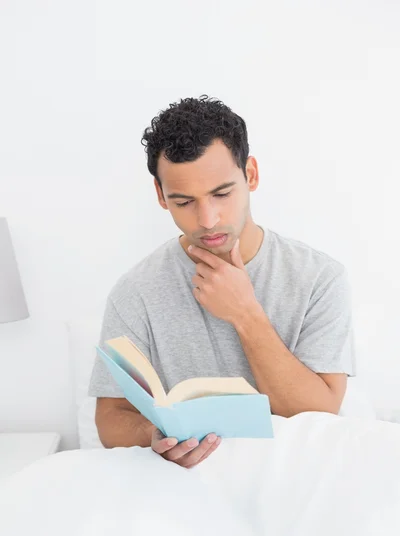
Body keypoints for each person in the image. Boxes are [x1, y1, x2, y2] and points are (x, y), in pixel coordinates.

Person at [88, 94, 356, 468]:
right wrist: (152, 434)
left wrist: (245, 314)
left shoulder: (319, 278)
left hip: (298, 475)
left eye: (222, 194)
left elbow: (320, 416)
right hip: (189, 485)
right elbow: (110, 419)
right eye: (184, 202)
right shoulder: (135, 291)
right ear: (161, 196)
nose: (208, 219)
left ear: (251, 175)